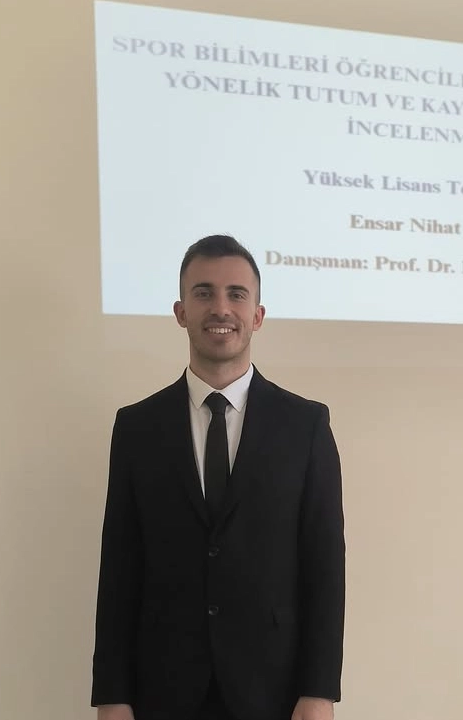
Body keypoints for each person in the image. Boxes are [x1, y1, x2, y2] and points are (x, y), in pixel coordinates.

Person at [91, 235, 345, 720]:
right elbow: (119, 570)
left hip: (274, 691)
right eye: (203, 293)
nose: (220, 308)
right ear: (181, 311)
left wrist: (319, 692)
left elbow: (325, 567)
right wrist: (112, 696)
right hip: (163, 689)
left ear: (258, 315)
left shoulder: (305, 425)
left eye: (236, 294)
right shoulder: (137, 428)